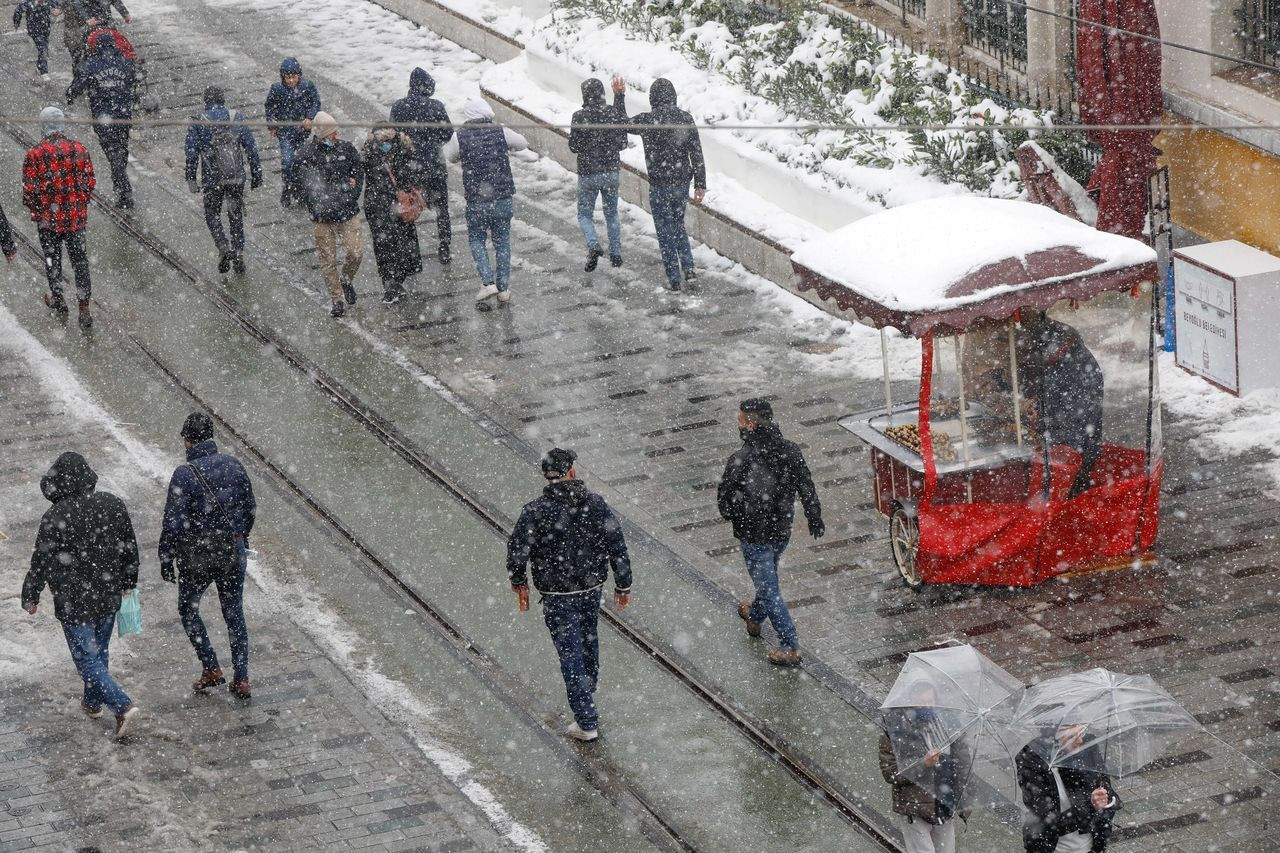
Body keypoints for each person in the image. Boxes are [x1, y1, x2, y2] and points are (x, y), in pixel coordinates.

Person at [507, 448, 631, 742]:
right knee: (589, 640)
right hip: (591, 587)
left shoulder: (535, 511)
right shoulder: (596, 504)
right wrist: (622, 583)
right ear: (571, 471)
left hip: (556, 592)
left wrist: (519, 580)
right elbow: (617, 543)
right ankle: (588, 687)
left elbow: (517, 550)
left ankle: (586, 719)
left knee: (569, 652)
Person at [21, 452, 140, 739]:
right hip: (108, 593)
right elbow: (129, 547)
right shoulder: (112, 504)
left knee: (86, 660)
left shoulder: (55, 516)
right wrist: (128, 581)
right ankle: (92, 702)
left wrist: (31, 593)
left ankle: (122, 706)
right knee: (99, 652)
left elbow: (42, 560)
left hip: (74, 600)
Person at [716, 398, 823, 666]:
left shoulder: (740, 459)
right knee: (767, 579)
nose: (738, 425)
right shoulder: (790, 450)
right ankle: (754, 616)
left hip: (754, 535)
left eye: (740, 421)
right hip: (781, 530)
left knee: (769, 587)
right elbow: (806, 486)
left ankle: (790, 644)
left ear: (751, 424)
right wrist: (814, 516)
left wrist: (737, 514)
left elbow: (724, 503)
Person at [159, 412, 257, 700]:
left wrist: (167, 557)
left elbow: (173, 522)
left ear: (187, 442)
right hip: (231, 551)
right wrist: (241, 535)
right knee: (234, 613)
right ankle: (242, 678)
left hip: (197, 556)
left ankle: (211, 666)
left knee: (189, 610)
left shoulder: (184, 474)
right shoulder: (234, 465)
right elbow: (250, 507)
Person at [618, 77, 706, 290]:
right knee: (678, 225)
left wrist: (619, 96)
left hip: (659, 184)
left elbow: (621, 123)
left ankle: (674, 278)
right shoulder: (685, 118)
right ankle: (689, 269)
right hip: (681, 182)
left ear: (652, 98)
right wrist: (700, 183)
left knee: (665, 230)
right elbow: (696, 151)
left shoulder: (648, 120)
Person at [442, 95, 526, 309]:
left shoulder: (460, 136)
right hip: (502, 198)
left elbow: (449, 157)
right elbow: (523, 143)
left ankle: (488, 282)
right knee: (502, 242)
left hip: (477, 200)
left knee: (477, 240)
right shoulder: (500, 131)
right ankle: (504, 289)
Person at [23, 106, 96, 328]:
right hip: (75, 219)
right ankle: (84, 307)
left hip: (49, 221)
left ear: (43, 125)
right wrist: (78, 202)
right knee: (80, 262)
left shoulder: (35, 154)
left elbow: (30, 191)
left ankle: (58, 297)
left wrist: (39, 207)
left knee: (52, 259)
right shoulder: (79, 149)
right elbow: (89, 182)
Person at [1017, 311, 1104, 498]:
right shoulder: (1050, 344)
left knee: (1072, 487)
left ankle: (1071, 499)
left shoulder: (1066, 364)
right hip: (1071, 443)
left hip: (1072, 450)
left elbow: (1069, 420)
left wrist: (1041, 427)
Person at [879, 685, 971, 853]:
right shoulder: (895, 729)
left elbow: (963, 765)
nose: (927, 706)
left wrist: (964, 797)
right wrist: (923, 764)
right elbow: (890, 772)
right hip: (915, 808)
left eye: (930, 701)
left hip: (945, 804)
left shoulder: (947, 723)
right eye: (921, 702)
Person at [185, 85, 263, 274]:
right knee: (235, 215)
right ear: (223, 101)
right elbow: (251, 148)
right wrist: (256, 172)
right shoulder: (237, 117)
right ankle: (238, 252)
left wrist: (191, 177)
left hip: (212, 179)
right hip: (235, 177)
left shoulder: (198, 122)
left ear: (206, 102)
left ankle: (222, 246)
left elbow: (191, 152)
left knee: (212, 213)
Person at [294, 111, 363, 318]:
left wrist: (351, 193)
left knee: (356, 253)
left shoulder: (347, 149)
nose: (337, 135)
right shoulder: (307, 155)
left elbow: (357, 173)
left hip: (347, 213)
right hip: (322, 218)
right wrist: (316, 203)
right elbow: (302, 185)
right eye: (332, 132)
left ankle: (346, 279)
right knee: (327, 261)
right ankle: (337, 299)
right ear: (323, 134)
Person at [1017, 725, 1121, 853]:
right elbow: (1048, 822)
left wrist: (1105, 802)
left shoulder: (1088, 746)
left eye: (1081, 732)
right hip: (1051, 848)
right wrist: (1090, 806)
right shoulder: (1031, 759)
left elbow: (1110, 797)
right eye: (1071, 737)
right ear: (1054, 738)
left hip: (1089, 847)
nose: (1080, 740)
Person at [389, 68, 453, 265]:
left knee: (408, 208)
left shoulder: (398, 107)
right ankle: (444, 247)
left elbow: (393, 135)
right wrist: (432, 143)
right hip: (434, 166)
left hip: (408, 168)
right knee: (442, 209)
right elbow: (448, 133)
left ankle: (411, 253)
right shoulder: (436, 106)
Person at [66, 36, 136, 209]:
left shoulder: (91, 64)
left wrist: (70, 94)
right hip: (123, 114)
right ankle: (120, 181)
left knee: (112, 151)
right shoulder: (125, 62)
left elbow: (78, 84)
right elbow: (134, 78)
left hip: (103, 117)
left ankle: (123, 189)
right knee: (121, 147)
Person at [569, 77, 627, 272]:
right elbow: (622, 143)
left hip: (588, 174)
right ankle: (616, 254)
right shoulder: (612, 113)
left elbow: (574, 146)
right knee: (611, 213)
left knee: (585, 214)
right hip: (610, 171)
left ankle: (593, 245)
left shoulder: (579, 116)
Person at [361, 126, 424, 304]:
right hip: (378, 208)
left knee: (401, 243)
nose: (384, 146)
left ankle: (398, 277)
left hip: (400, 207)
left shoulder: (404, 152)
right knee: (384, 245)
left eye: (387, 141)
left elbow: (416, 173)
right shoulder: (369, 154)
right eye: (381, 142)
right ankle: (390, 283)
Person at [264, 57, 321, 208]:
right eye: (287, 77)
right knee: (288, 160)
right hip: (285, 132)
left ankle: (300, 188)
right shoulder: (277, 89)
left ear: (299, 75)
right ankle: (288, 187)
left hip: (302, 131)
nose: (290, 81)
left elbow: (315, 102)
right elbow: (270, 107)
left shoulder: (307, 86)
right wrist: (272, 123)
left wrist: (310, 117)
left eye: (293, 77)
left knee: (302, 161)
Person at [13, 0, 62, 80]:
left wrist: (58, 10)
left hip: (45, 30)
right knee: (43, 49)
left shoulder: (48, 2)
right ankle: (44, 71)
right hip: (34, 30)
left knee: (43, 48)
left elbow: (59, 5)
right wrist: (16, 22)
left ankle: (39, 66)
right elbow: (18, 10)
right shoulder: (29, 3)